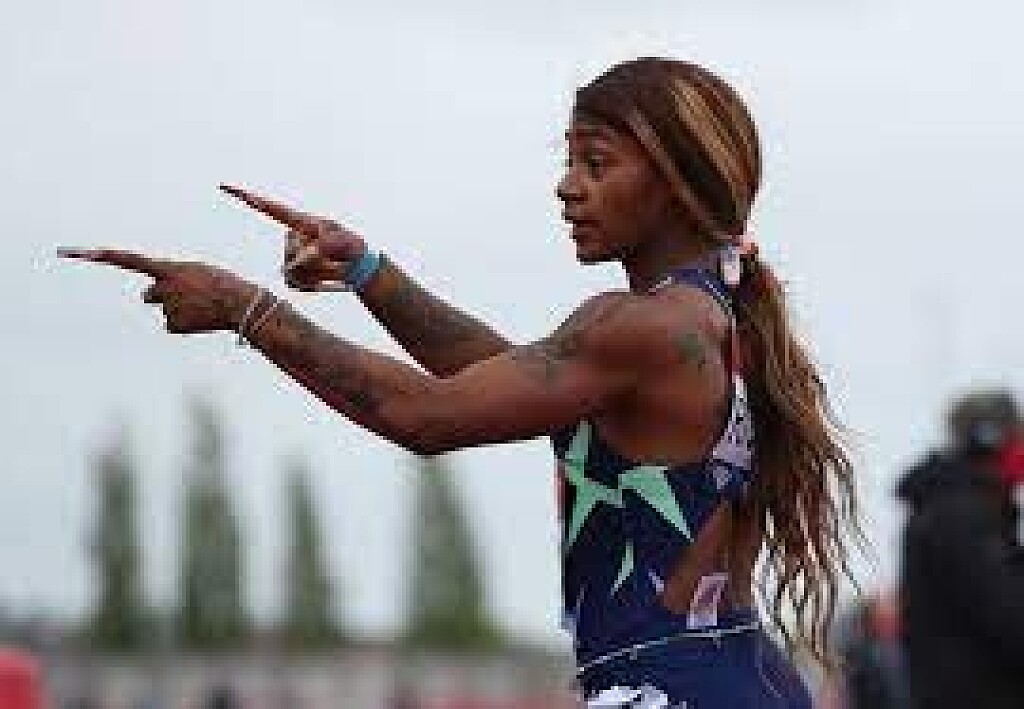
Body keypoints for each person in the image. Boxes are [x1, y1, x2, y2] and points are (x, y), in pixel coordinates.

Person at [60, 58, 859, 706]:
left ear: (678, 181)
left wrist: (246, 308)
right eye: (569, 161)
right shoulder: (708, 316)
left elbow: (427, 415)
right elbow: (499, 374)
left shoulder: (642, 325)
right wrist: (367, 272)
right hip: (733, 680)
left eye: (597, 162)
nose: (567, 185)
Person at [896, 389, 1024, 708]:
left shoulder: (946, 509)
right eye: (1016, 438)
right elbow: (1008, 616)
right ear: (990, 441)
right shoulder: (961, 518)